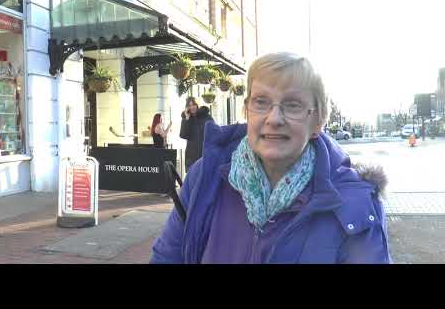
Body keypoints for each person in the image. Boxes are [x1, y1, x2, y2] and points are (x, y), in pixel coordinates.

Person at [150, 52, 391, 264]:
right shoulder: (206, 176)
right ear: (247, 111)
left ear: (317, 122)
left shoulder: (356, 203)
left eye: (293, 105)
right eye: (261, 102)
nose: (274, 118)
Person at [179, 96, 214, 171]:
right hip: (191, 156)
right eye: (189, 105)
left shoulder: (206, 116)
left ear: (197, 105)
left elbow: (214, 131)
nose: (192, 107)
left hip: (204, 153)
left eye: (193, 105)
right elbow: (183, 135)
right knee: (192, 180)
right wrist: (187, 119)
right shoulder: (186, 118)